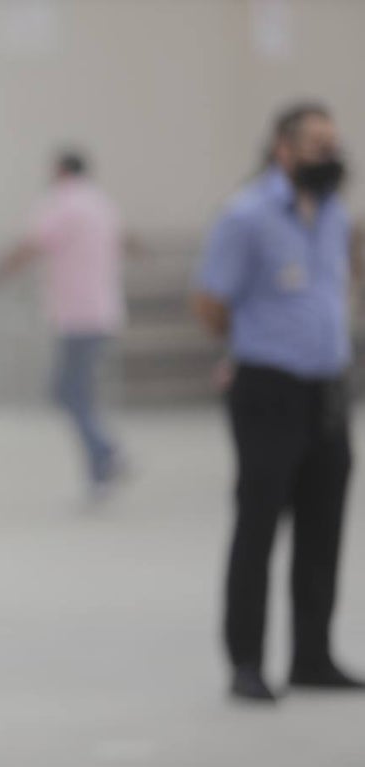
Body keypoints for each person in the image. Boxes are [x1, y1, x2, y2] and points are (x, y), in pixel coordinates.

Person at [194, 103, 362, 702]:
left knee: (324, 525)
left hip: (329, 389)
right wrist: (253, 345)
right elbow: (211, 303)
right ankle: (246, 663)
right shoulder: (247, 216)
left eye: (335, 142)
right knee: (259, 524)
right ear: (283, 150)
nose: (331, 154)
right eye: (318, 144)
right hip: (268, 389)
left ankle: (312, 657)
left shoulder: (336, 212)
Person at [0, 149, 129, 499]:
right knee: (76, 391)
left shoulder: (62, 204)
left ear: (60, 170)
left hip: (78, 315)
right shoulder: (101, 204)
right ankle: (101, 462)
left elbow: (29, 247)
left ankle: (105, 454)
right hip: (103, 312)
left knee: (68, 391)